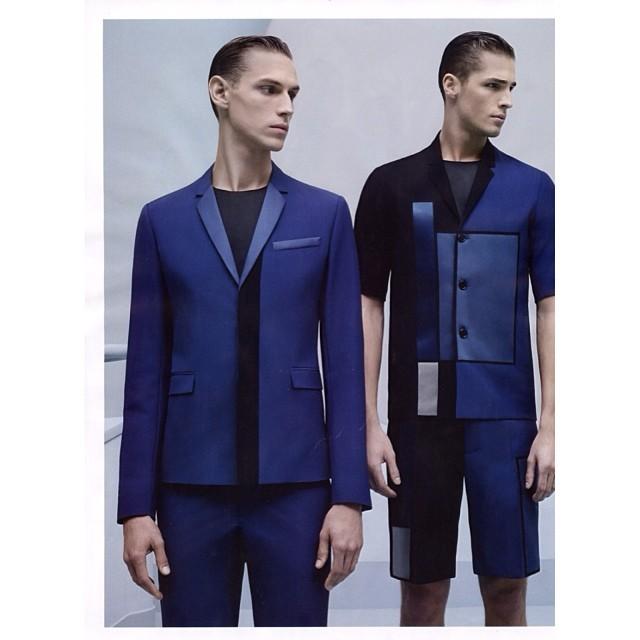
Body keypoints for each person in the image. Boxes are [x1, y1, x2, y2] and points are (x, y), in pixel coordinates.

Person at [117, 35, 370, 627]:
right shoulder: (162, 220)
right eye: (269, 89)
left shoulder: (324, 213)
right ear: (220, 92)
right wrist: (135, 508)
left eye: (293, 93)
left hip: (297, 489)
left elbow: (345, 363)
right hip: (188, 489)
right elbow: (144, 376)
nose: (286, 106)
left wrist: (348, 497)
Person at [354, 31, 554, 626]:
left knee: (508, 588)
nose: (506, 100)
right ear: (451, 85)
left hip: (506, 423)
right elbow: (367, 304)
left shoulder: (532, 189)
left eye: (512, 88)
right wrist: (368, 423)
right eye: (493, 85)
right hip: (417, 423)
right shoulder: (391, 186)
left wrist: (551, 424)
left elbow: (550, 306)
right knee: (420, 593)